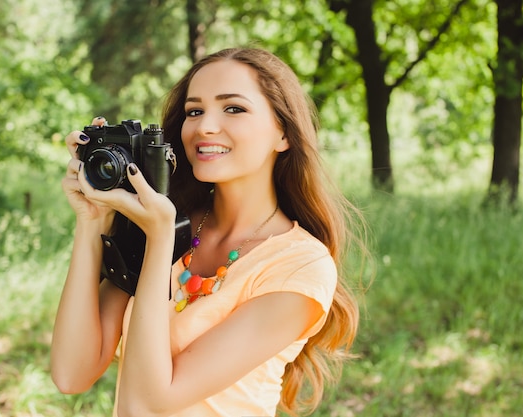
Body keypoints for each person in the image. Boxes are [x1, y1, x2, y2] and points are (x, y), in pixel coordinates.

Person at [51, 47, 364, 417]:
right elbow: (71, 374)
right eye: (194, 111)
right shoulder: (163, 220)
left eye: (233, 108)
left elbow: (151, 401)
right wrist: (91, 222)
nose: (204, 127)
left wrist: (160, 238)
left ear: (284, 133)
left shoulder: (300, 267)